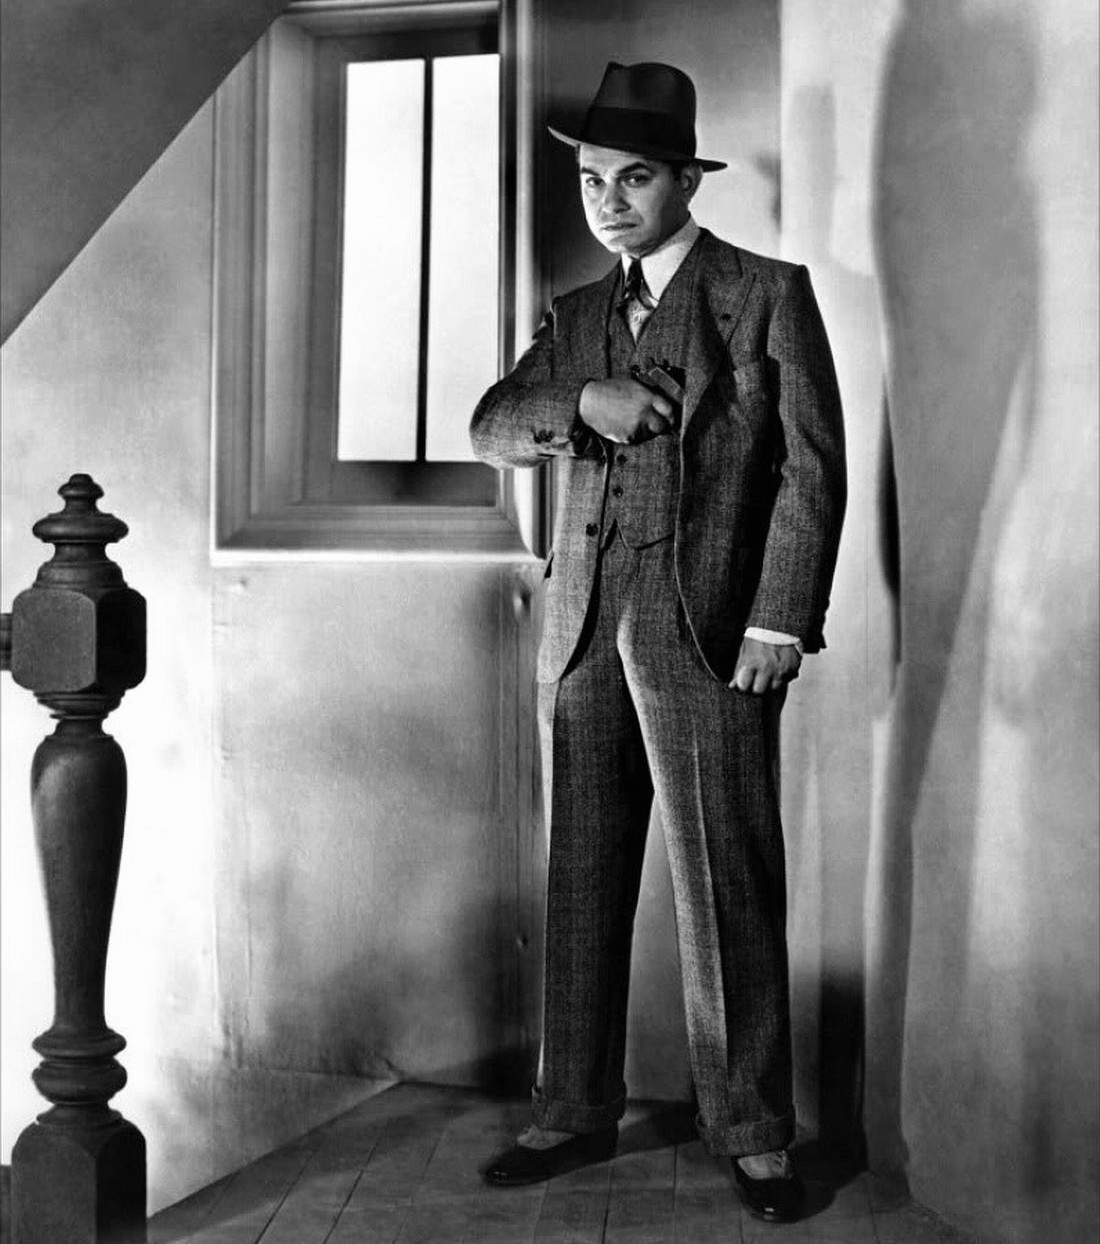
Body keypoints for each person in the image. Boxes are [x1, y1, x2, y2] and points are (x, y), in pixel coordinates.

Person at [469, 60, 846, 1225]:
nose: (608, 201)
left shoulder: (761, 293)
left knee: (725, 877)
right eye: (591, 180)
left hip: (711, 629)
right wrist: (581, 404)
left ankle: (752, 1130)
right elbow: (491, 424)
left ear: (685, 178)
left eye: (632, 178)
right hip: (584, 622)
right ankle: (570, 1107)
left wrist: (779, 616)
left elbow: (809, 469)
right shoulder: (576, 314)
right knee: (580, 876)